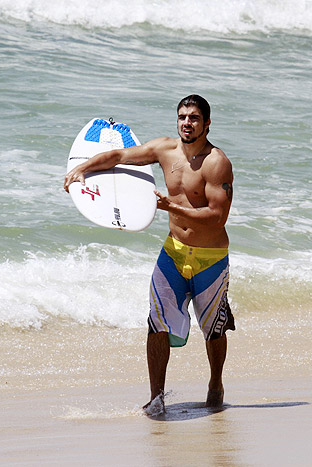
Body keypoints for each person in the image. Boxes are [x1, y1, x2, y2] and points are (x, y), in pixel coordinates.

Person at [64, 95, 235, 410]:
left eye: (194, 118)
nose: (187, 122)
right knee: (156, 321)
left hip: (210, 258)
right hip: (174, 251)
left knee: (213, 327)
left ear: (207, 123)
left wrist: (171, 206)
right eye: (182, 116)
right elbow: (118, 155)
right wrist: (82, 169)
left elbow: (217, 216)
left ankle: (215, 385)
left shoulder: (216, 162)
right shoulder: (164, 150)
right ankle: (156, 398)